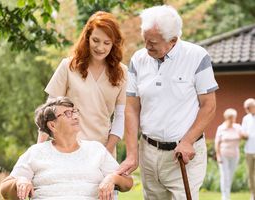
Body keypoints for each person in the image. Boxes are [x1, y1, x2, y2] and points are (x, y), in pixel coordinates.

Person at [117, 5, 218, 200]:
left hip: (183, 155)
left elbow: (209, 105)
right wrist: (132, 154)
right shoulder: (138, 59)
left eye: (153, 42)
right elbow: (131, 108)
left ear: (173, 40)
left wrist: (188, 141)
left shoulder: (197, 56)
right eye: (145, 40)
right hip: (149, 152)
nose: (147, 46)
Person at [0, 97, 133, 200]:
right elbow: (5, 190)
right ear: (52, 125)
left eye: (75, 112)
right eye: (67, 113)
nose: (75, 116)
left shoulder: (96, 150)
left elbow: (128, 182)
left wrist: (112, 178)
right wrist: (20, 180)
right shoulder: (36, 152)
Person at [38, 11, 127, 155]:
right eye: (95, 40)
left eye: (107, 43)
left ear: (114, 44)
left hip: (102, 150)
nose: (100, 48)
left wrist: (107, 151)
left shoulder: (123, 73)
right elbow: (49, 111)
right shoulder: (68, 66)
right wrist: (39, 148)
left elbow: (120, 117)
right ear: (87, 38)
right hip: (66, 148)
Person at [215, 108, 244, 200]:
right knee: (224, 176)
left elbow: (243, 136)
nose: (234, 119)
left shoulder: (238, 127)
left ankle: (227, 195)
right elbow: (217, 143)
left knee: (230, 176)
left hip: (235, 155)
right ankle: (225, 197)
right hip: (224, 155)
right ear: (228, 118)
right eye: (233, 117)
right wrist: (218, 156)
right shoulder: (221, 128)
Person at [242, 98, 255, 200]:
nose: (246, 109)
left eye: (247, 107)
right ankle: (253, 194)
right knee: (250, 174)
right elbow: (243, 132)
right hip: (249, 150)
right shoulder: (245, 118)